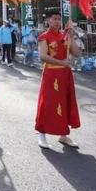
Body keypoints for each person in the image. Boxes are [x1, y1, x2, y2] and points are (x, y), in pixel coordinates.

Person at [35, 10, 81, 150]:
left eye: (59, 19)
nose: (57, 21)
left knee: (65, 103)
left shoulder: (65, 35)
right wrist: (62, 63)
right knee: (48, 103)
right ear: (48, 20)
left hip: (65, 75)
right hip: (51, 74)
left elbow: (77, 54)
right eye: (54, 19)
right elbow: (43, 56)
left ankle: (63, 134)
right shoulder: (44, 37)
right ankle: (41, 133)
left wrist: (72, 37)